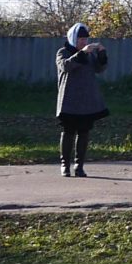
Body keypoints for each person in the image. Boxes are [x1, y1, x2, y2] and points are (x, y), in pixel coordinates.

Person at [54, 23, 109, 178]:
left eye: (85, 39)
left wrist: (102, 55)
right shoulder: (63, 52)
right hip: (69, 100)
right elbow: (66, 66)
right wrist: (82, 53)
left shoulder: (89, 54)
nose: (83, 42)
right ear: (72, 38)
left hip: (87, 101)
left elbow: (99, 69)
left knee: (84, 133)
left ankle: (79, 165)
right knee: (68, 132)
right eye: (80, 39)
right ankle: (65, 165)